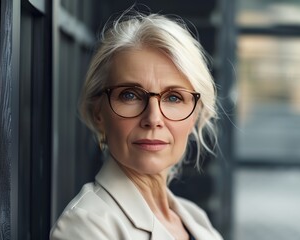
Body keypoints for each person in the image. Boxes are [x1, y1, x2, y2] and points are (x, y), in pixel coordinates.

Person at [50, 11, 222, 240]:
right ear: (98, 112)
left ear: (195, 115)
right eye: (130, 95)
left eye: (173, 98)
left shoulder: (193, 217)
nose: (153, 118)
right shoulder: (85, 225)